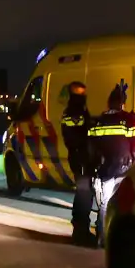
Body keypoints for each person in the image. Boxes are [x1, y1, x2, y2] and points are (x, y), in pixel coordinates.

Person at [87, 86, 135, 248]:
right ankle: (126, 241)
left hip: (105, 170)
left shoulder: (96, 122)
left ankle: (102, 239)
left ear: (108, 104)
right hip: (124, 169)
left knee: (104, 204)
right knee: (127, 204)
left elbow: (91, 149)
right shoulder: (128, 121)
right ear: (122, 104)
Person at [60, 81, 94, 246]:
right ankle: (80, 231)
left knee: (85, 194)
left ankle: (81, 230)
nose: (83, 98)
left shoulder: (75, 111)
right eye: (81, 94)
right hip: (81, 159)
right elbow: (78, 137)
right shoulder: (74, 112)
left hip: (81, 158)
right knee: (84, 195)